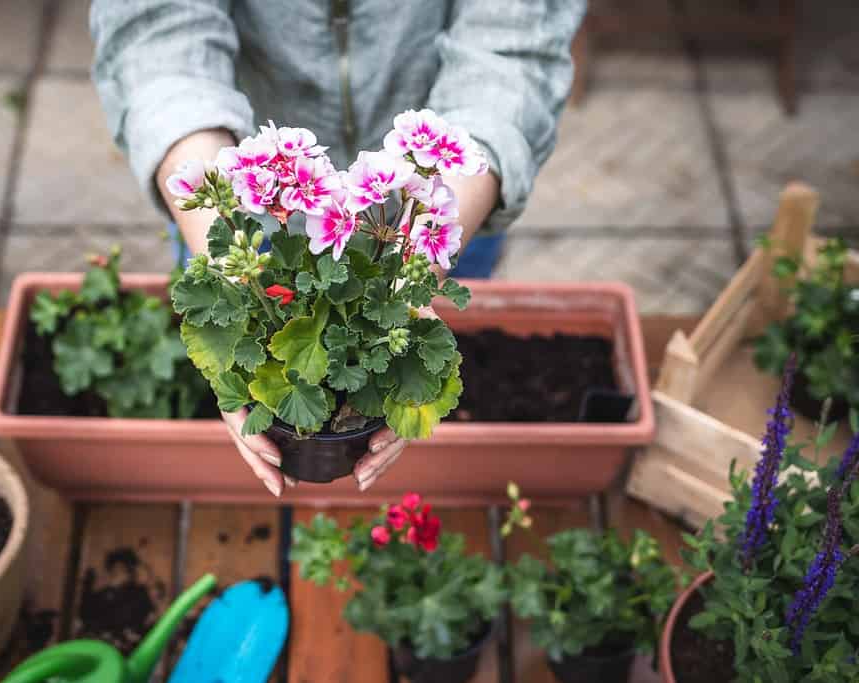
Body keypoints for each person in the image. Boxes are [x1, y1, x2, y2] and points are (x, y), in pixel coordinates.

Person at [90, 0, 585, 497]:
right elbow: (156, 34)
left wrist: (417, 277)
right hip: (242, 210)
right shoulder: (239, 215)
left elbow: (515, 43)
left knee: (427, 355)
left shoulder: (433, 211)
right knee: (232, 324)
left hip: (450, 206)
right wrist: (223, 252)